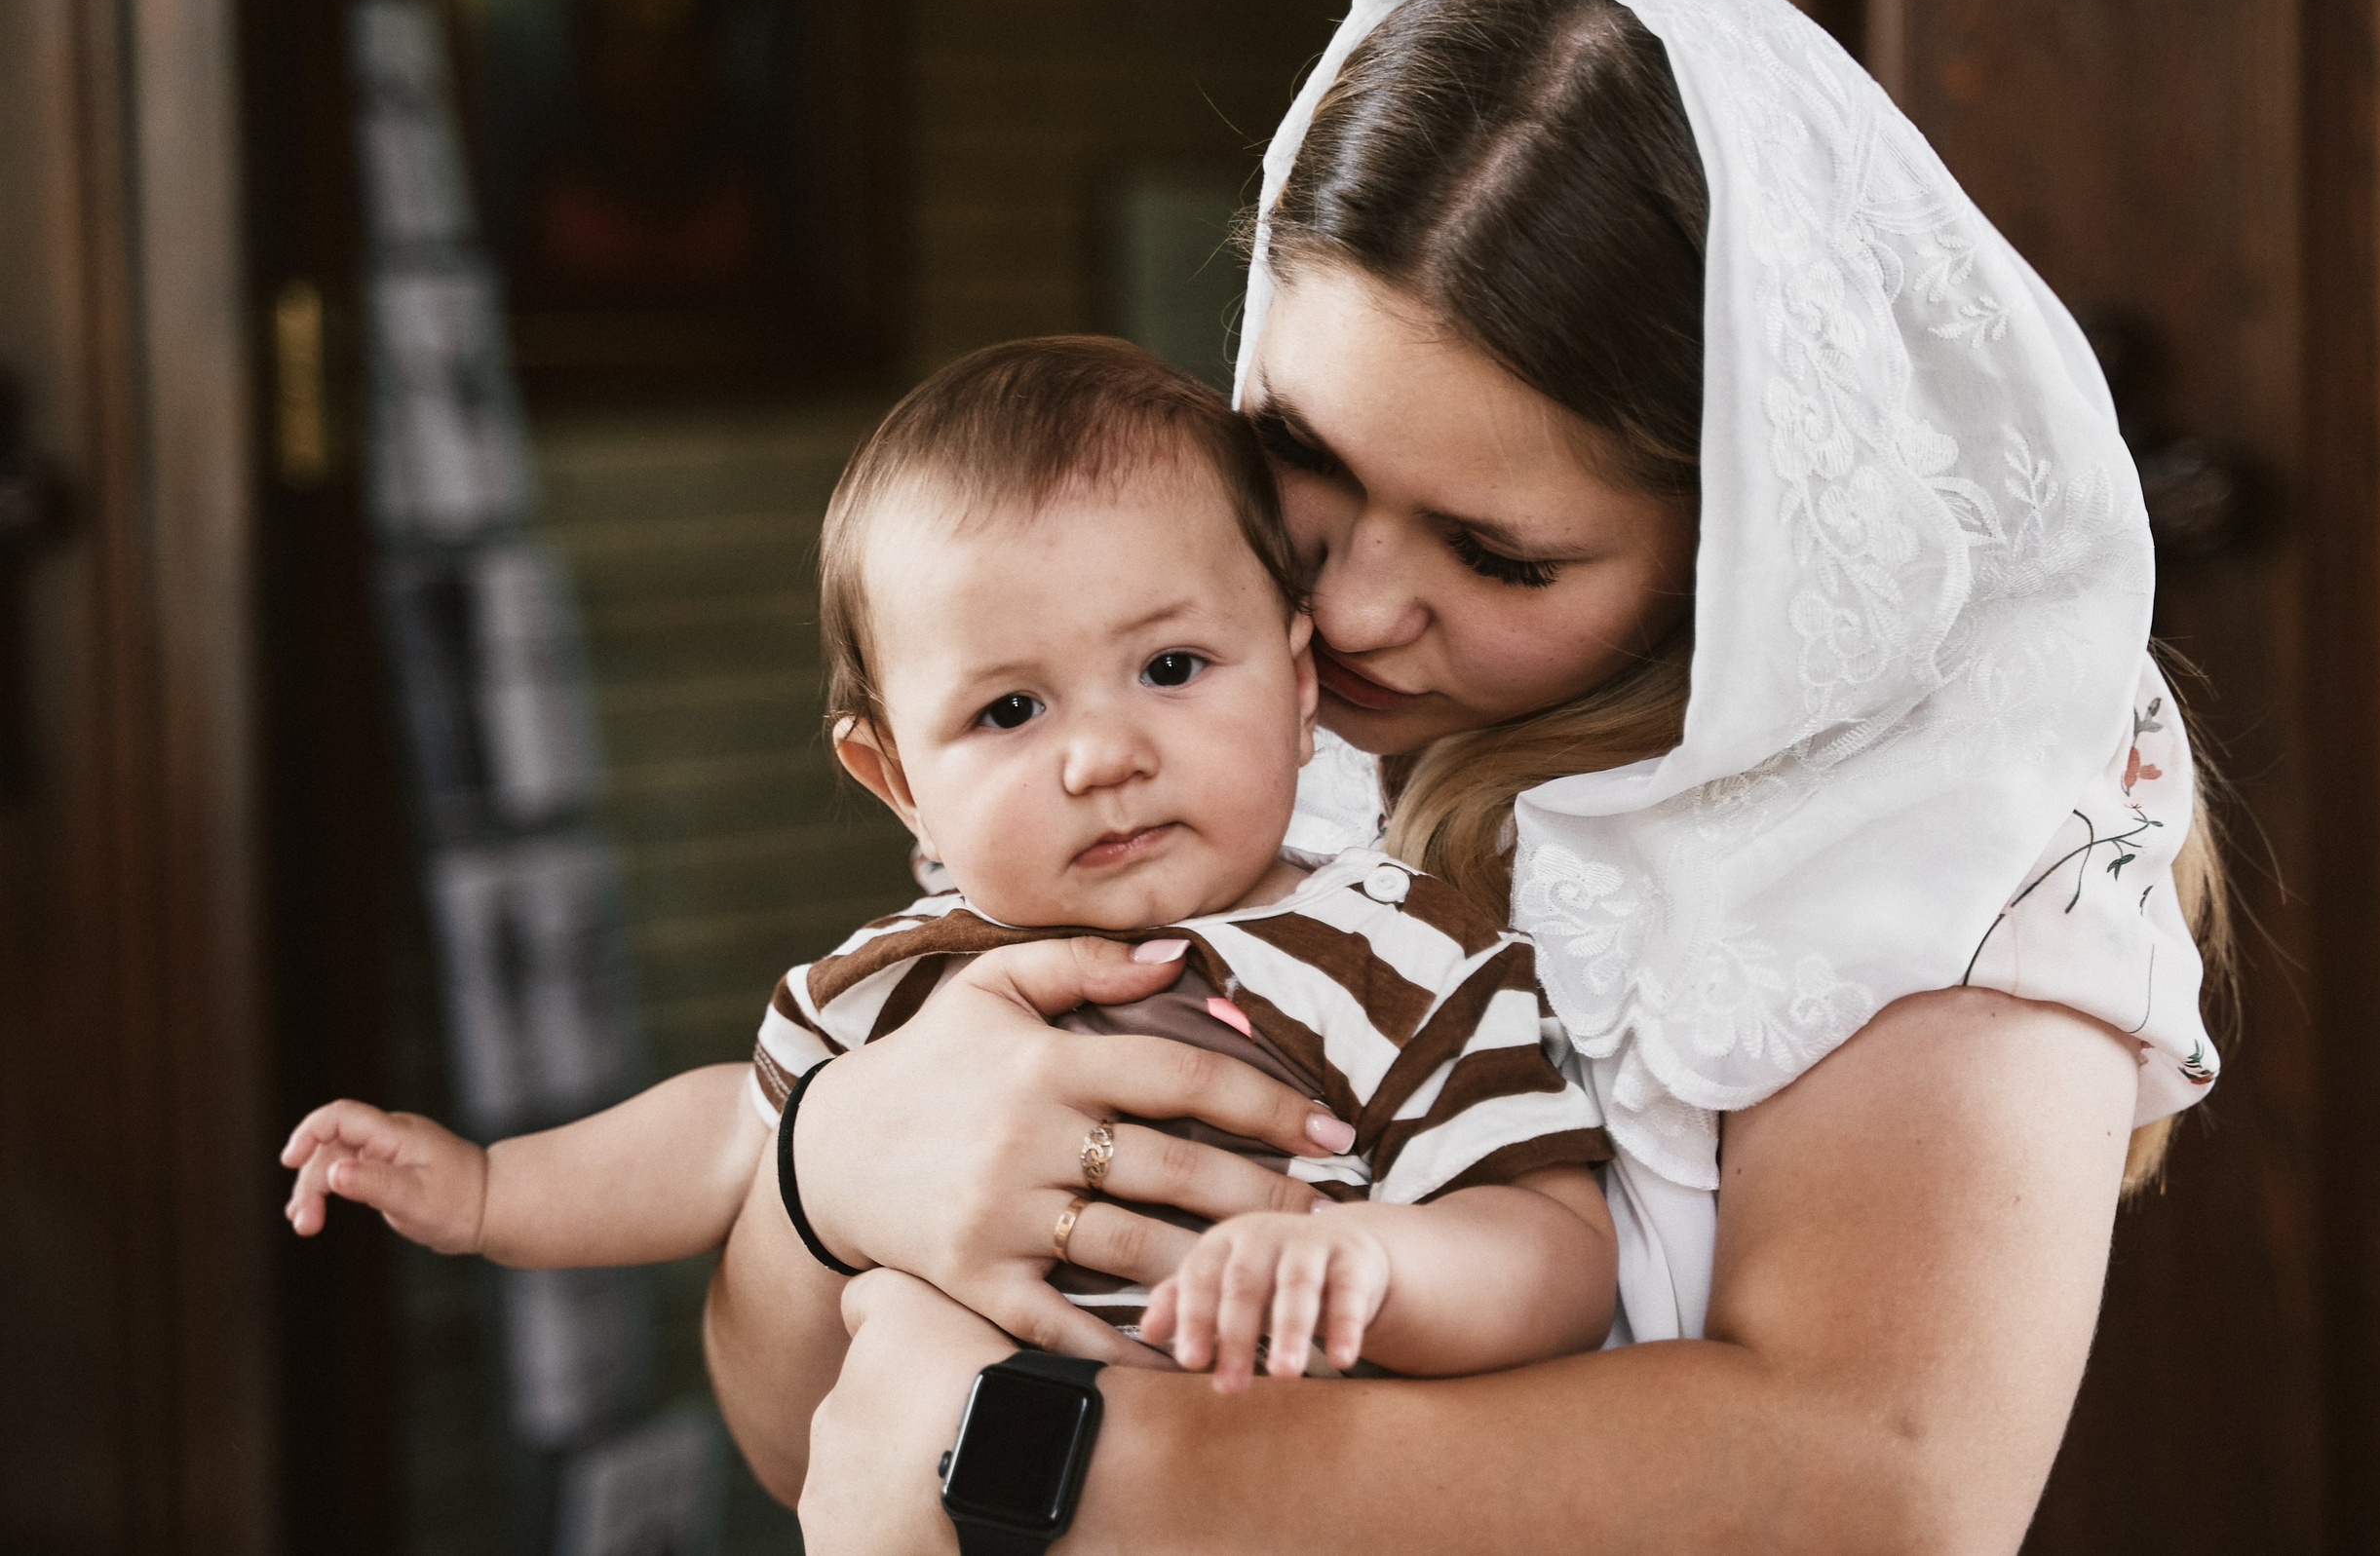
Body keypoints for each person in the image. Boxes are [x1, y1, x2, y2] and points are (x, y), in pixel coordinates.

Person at [709, 0, 2231, 1554]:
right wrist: (822, 1171)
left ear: (1745, 537)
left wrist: (1060, 1466)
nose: (1352, 609)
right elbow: (813, 1448)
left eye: (1498, 555)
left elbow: (1892, 1491)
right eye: (1302, 454)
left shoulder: (1934, 842)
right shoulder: (1214, 723)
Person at [277, 336, 1617, 1396]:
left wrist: (1364, 1265)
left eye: (1171, 667)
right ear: (898, 781)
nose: (1104, 756)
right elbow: (734, 1136)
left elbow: (1557, 1252)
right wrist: (491, 1192)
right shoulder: (902, 982)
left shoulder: (1402, 953)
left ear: (1299, 680)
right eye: (1011, 710)